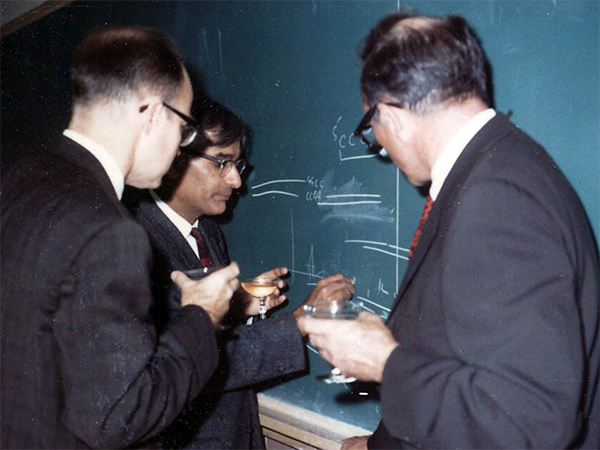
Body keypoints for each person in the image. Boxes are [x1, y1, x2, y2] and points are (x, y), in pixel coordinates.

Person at [298, 11, 599, 449]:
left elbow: (530, 422)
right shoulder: (506, 165)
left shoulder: (497, 199)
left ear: (390, 116)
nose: (379, 145)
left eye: (371, 128)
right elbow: (464, 369)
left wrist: (384, 362)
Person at [0, 27, 241, 449]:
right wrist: (200, 316)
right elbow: (119, 417)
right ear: (152, 114)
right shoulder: (110, 230)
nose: (180, 147)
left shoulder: (14, 175)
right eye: (184, 128)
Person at [125, 99, 356, 449]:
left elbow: (193, 325)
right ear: (174, 158)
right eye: (222, 163)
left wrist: (237, 305)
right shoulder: (136, 244)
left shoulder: (207, 232)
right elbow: (180, 365)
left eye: (238, 164)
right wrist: (300, 321)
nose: (236, 181)